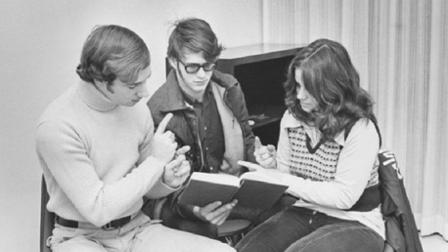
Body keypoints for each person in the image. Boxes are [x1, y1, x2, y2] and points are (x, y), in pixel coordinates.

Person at [36, 24, 234, 252]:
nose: (144, 93)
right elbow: (98, 210)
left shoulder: (136, 110)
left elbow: (147, 189)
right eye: (133, 85)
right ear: (101, 81)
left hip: (137, 228)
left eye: (145, 80)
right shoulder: (56, 126)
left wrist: (167, 180)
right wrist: (155, 163)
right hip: (80, 238)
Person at [235, 39, 385, 252]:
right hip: (305, 210)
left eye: (309, 88)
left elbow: (343, 197)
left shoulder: (361, 128)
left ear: (332, 88)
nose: (299, 95)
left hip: (356, 219)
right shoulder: (291, 119)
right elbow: (286, 176)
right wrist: (271, 169)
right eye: (297, 85)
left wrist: (283, 179)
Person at [147, 17, 256, 237]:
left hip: (232, 190)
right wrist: (197, 211)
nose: (202, 75)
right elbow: (167, 186)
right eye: (192, 67)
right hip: (182, 203)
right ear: (173, 61)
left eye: (208, 66)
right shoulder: (158, 110)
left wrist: (261, 161)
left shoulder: (229, 87)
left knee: (285, 207)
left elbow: (247, 140)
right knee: (203, 229)